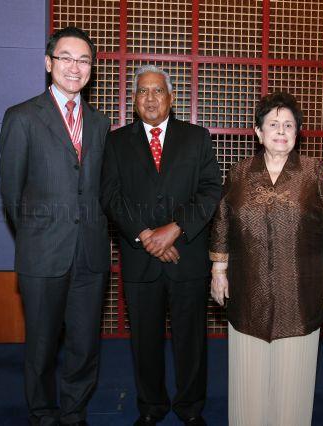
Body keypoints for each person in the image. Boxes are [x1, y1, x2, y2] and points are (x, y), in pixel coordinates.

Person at [209, 92, 323, 426]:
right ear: (258, 132)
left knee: (293, 376)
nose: (281, 131)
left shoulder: (313, 171)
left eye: (288, 125)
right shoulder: (239, 172)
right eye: (273, 124)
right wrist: (219, 268)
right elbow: (223, 220)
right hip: (247, 284)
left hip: (299, 286)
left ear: (297, 133)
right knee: (248, 376)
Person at [0, 27, 111, 426]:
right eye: (65, 58)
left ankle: (74, 412)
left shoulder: (100, 124)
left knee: (84, 345)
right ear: (49, 64)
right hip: (43, 253)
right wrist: (38, 232)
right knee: (42, 347)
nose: (74, 67)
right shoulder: (22, 117)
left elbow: (99, 189)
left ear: (92, 69)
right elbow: (11, 194)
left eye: (83, 60)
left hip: (90, 254)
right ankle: (44, 414)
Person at [100, 65, 222, 426]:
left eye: (157, 91)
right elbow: (110, 195)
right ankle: (151, 406)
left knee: (191, 340)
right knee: (144, 340)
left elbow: (211, 190)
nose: (150, 97)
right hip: (140, 259)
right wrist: (146, 235)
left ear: (171, 98)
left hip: (187, 255)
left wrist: (176, 229)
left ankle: (190, 407)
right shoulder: (117, 141)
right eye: (142, 91)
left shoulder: (197, 137)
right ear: (133, 100)